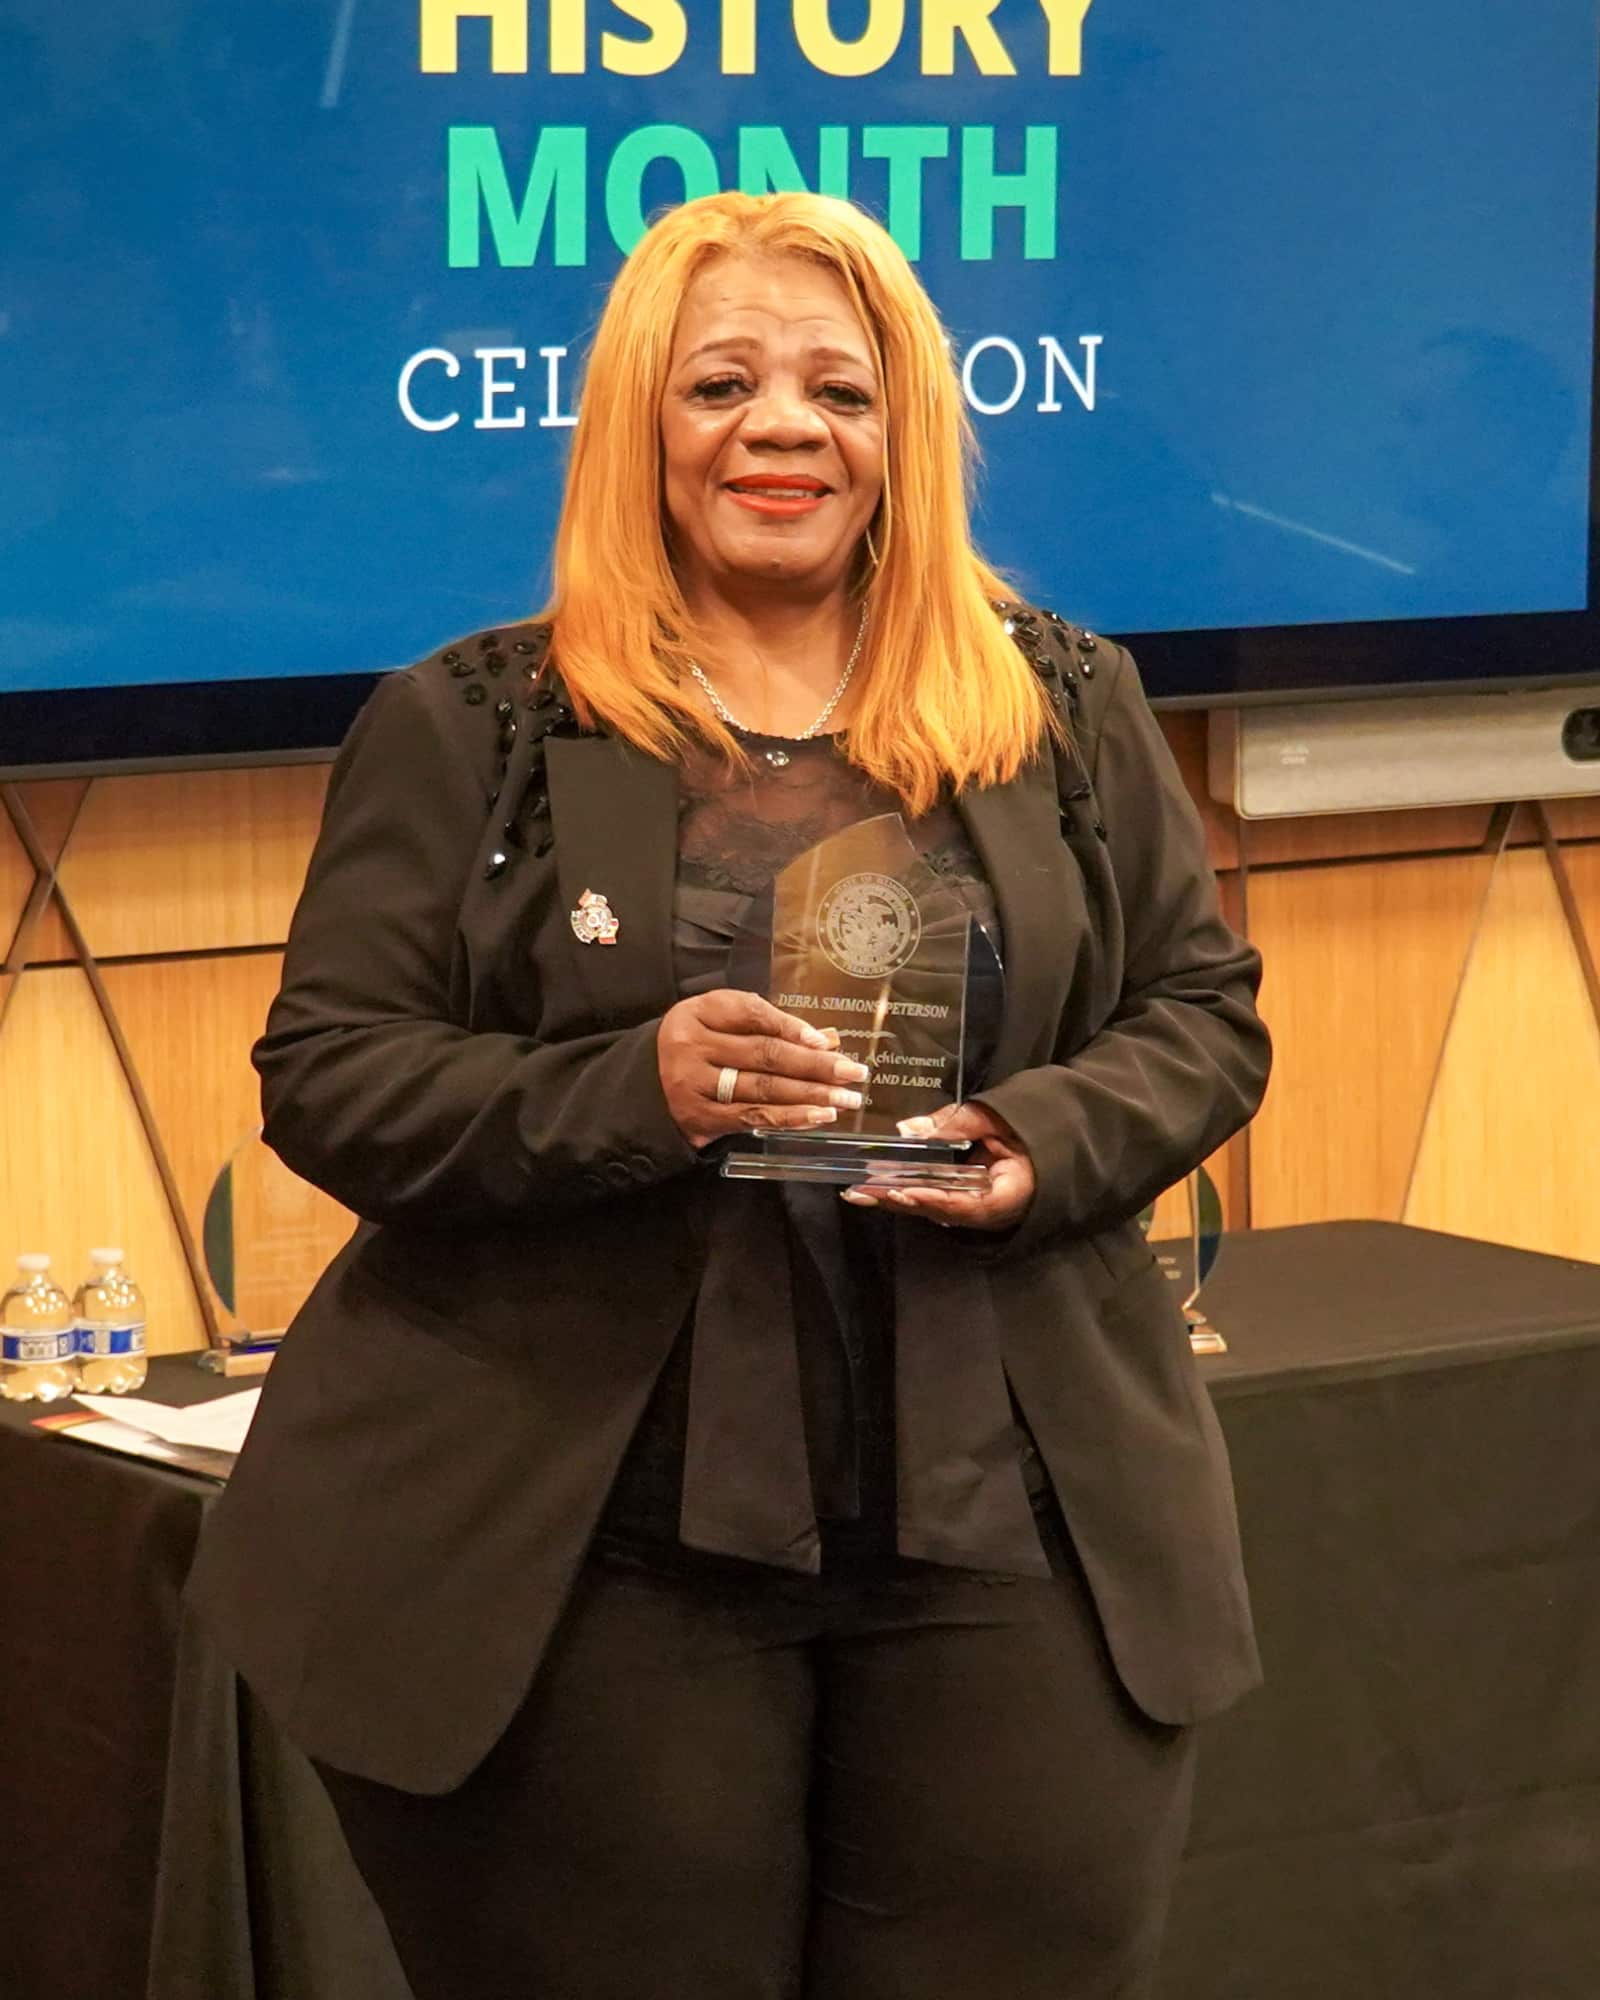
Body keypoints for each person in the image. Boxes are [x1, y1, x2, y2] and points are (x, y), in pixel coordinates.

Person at [188, 190, 1271, 2000]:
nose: (785, 428)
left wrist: (1038, 1138)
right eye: (724, 385)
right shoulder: (476, 724)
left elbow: (1200, 1011)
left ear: (904, 436)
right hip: (588, 1549)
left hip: (1012, 1534)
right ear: (640, 428)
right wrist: (641, 1085)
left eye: (840, 392)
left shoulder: (1064, 701)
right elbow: (334, 1075)